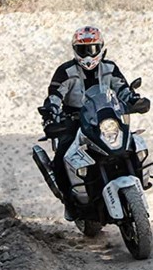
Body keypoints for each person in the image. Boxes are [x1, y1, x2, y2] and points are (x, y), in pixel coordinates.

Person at [39, 26, 147, 219]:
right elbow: (54, 96)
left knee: (130, 143)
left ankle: (138, 181)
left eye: (93, 48)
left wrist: (134, 101)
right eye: (83, 49)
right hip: (74, 121)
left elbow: (122, 89)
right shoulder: (65, 71)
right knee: (62, 156)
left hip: (105, 118)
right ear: (75, 50)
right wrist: (50, 114)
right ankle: (69, 201)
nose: (88, 54)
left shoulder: (110, 68)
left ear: (101, 48)